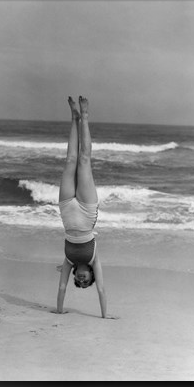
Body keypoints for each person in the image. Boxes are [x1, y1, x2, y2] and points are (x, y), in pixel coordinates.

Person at [52, 96, 117, 319]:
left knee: (70, 160)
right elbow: (102, 290)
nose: (81, 280)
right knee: (84, 160)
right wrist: (105, 316)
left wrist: (59, 311)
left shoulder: (69, 261)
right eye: (86, 280)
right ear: (90, 274)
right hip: (88, 210)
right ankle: (85, 116)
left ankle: (73, 117)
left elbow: (61, 289)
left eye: (79, 282)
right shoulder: (93, 259)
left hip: (67, 208)